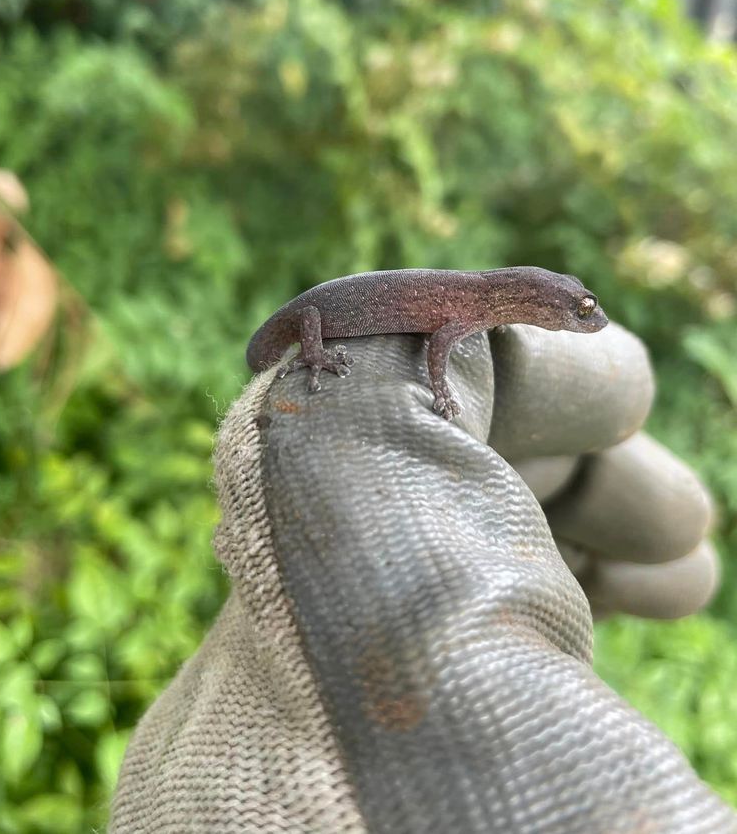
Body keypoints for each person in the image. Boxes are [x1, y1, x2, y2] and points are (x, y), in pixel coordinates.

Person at [110, 320, 737, 833]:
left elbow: (440, 342)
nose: (584, 322)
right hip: (319, 327)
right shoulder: (471, 306)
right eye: (576, 311)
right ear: (530, 298)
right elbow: (436, 347)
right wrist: (433, 392)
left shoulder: (480, 305)